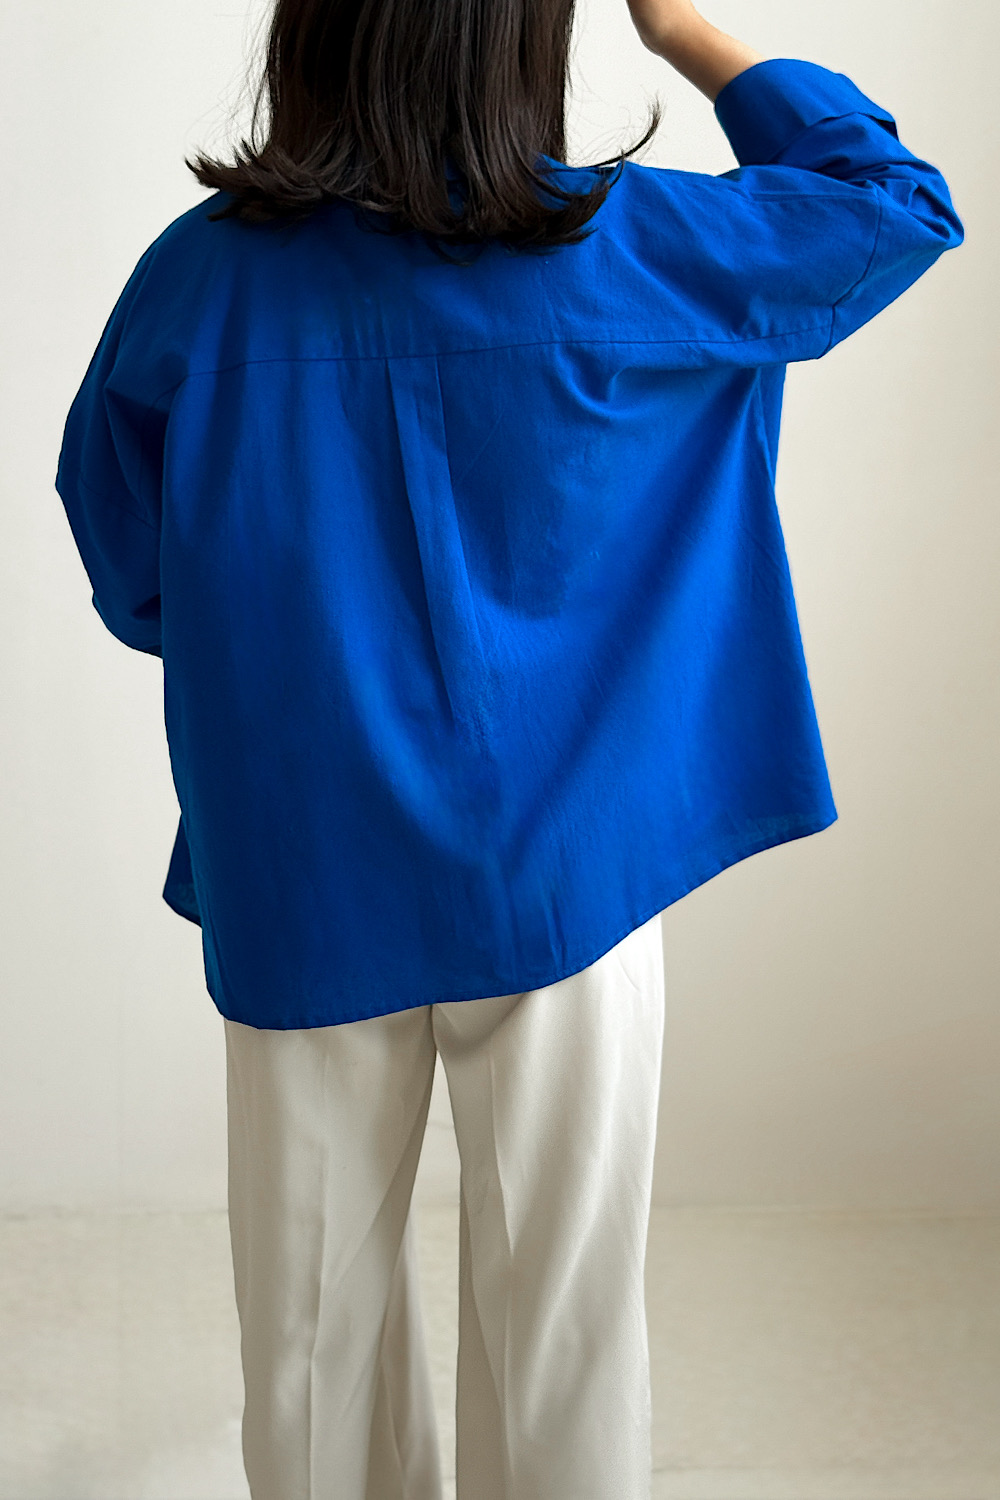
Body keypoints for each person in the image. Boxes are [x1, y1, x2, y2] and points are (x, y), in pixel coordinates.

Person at [53, 0, 964, 1494]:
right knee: (564, 1324)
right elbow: (893, 204)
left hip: (303, 855)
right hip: (568, 867)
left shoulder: (197, 282)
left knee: (308, 1333)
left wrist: (293, 663)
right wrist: (683, 28)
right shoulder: (633, 248)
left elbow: (128, 561)